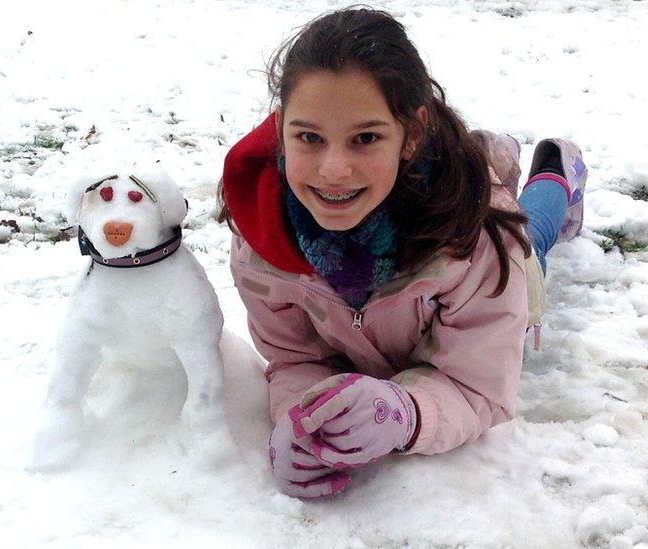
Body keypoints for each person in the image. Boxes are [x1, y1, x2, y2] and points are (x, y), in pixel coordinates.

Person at [217, 7, 587, 498]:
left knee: (531, 240)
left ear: (411, 135)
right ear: (282, 128)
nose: (332, 170)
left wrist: (407, 415)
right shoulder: (262, 240)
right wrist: (299, 419)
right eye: (309, 137)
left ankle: (557, 173)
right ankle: (492, 153)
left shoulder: (475, 241)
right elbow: (293, 358)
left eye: (365, 138)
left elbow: (478, 385)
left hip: (490, 241)